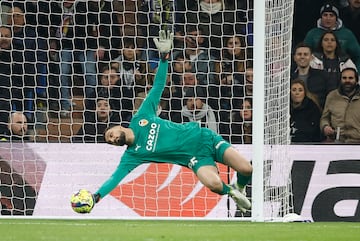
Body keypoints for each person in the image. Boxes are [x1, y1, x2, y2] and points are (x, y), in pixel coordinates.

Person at [86, 31, 252, 214]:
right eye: (111, 141)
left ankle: (240, 188)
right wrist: (96, 197)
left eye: (111, 135)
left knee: (246, 168)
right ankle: (233, 192)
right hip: (194, 158)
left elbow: (158, 86)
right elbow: (114, 179)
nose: (112, 139)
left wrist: (164, 57)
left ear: (118, 127)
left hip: (205, 137)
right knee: (214, 184)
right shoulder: (133, 155)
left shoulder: (140, 118)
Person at [303, 2, 360, 70]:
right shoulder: (312, 34)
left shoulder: (347, 34)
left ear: (336, 18)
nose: (328, 18)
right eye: (325, 15)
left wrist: (357, 73)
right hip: (317, 70)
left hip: (341, 71)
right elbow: (303, 53)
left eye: (331, 15)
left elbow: (358, 55)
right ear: (321, 17)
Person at [320, 67, 360, 143]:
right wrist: (325, 126)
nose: (347, 81)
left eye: (351, 78)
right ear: (340, 80)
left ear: (356, 80)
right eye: (344, 78)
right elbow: (324, 118)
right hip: (337, 142)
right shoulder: (332, 96)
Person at [291, 42, 328, 108]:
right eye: (299, 54)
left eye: (305, 54)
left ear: (311, 57)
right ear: (294, 58)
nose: (302, 57)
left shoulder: (322, 76)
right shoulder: (289, 78)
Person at [290, 79, 323, 143]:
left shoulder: (312, 108)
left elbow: (313, 132)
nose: (297, 93)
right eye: (294, 90)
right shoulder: (283, 107)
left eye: (300, 90)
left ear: (305, 93)